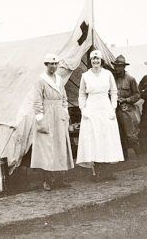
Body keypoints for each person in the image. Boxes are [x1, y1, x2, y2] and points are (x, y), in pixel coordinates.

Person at [76, 50, 124, 180]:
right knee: (94, 139)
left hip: (105, 107)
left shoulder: (108, 74)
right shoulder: (85, 75)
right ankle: (96, 172)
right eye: (93, 59)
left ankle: (107, 171)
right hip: (91, 109)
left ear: (101, 60)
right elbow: (81, 94)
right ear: (90, 61)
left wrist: (113, 107)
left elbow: (114, 91)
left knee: (106, 138)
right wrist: (83, 109)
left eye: (97, 59)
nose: (95, 61)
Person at [31, 53, 74, 191]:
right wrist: (40, 119)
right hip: (47, 114)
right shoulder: (41, 80)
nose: (53, 66)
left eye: (55, 64)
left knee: (60, 146)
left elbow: (64, 99)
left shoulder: (60, 80)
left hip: (59, 115)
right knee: (47, 149)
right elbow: (37, 101)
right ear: (46, 65)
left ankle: (59, 180)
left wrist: (65, 113)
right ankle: (47, 180)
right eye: (51, 64)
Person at [112, 54, 141, 159]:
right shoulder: (111, 79)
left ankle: (140, 156)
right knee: (119, 134)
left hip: (126, 110)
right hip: (115, 110)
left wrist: (126, 100)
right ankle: (124, 157)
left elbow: (137, 95)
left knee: (130, 134)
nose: (117, 68)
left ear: (124, 67)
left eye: (120, 66)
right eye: (116, 66)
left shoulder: (131, 79)